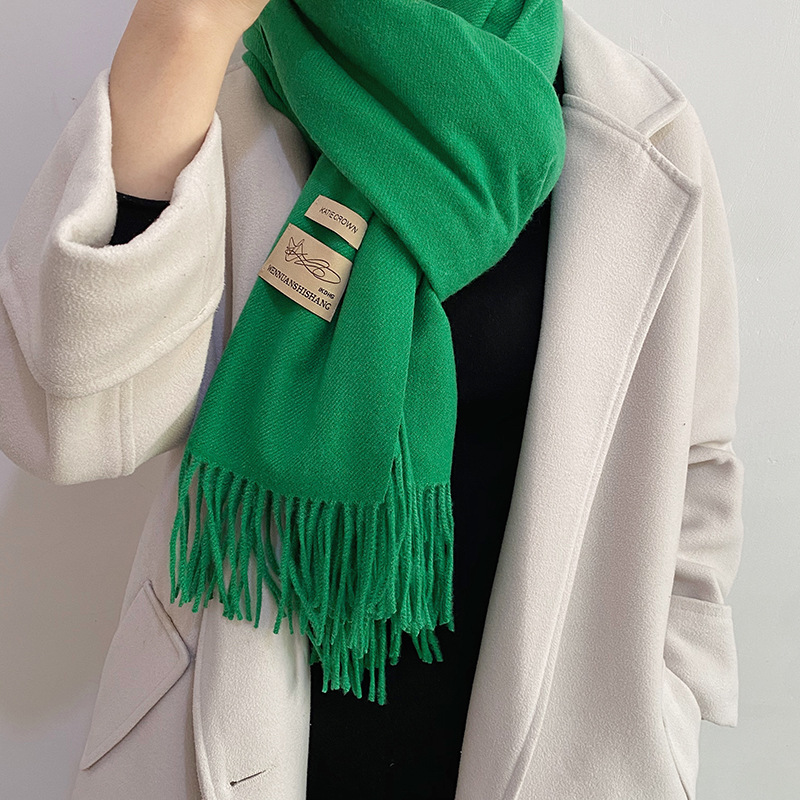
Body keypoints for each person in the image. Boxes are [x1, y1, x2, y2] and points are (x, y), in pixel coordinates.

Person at [0, 1, 744, 799]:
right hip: (244, 741)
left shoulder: (642, 130)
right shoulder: (233, 80)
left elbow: (697, 461)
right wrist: (183, 33)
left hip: (556, 757)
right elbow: (70, 428)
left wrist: (668, 698)